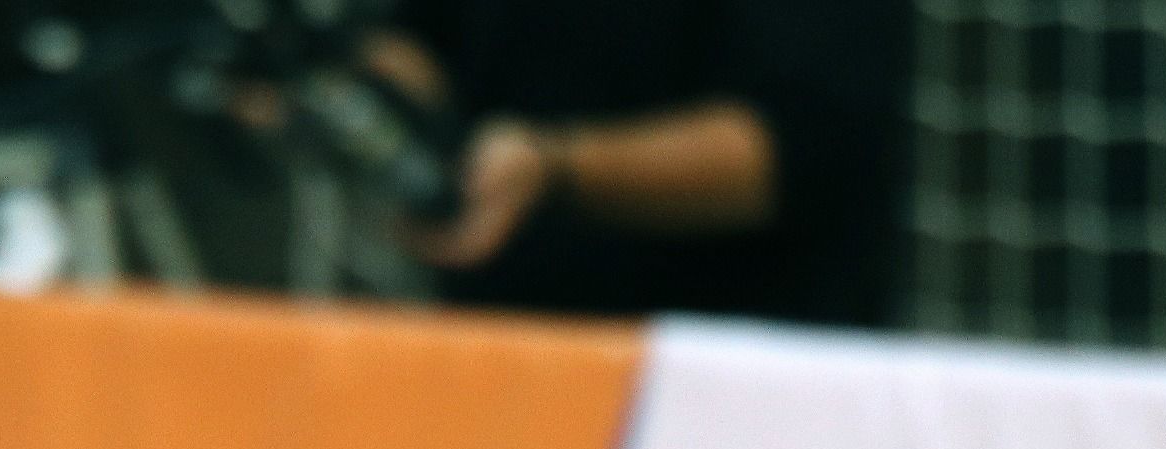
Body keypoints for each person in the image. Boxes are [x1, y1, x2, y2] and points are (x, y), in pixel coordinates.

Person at [384, 0, 909, 326]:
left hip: (736, 378)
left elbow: (799, 151)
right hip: (503, 350)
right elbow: (424, 41)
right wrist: (383, 102)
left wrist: (554, 167)